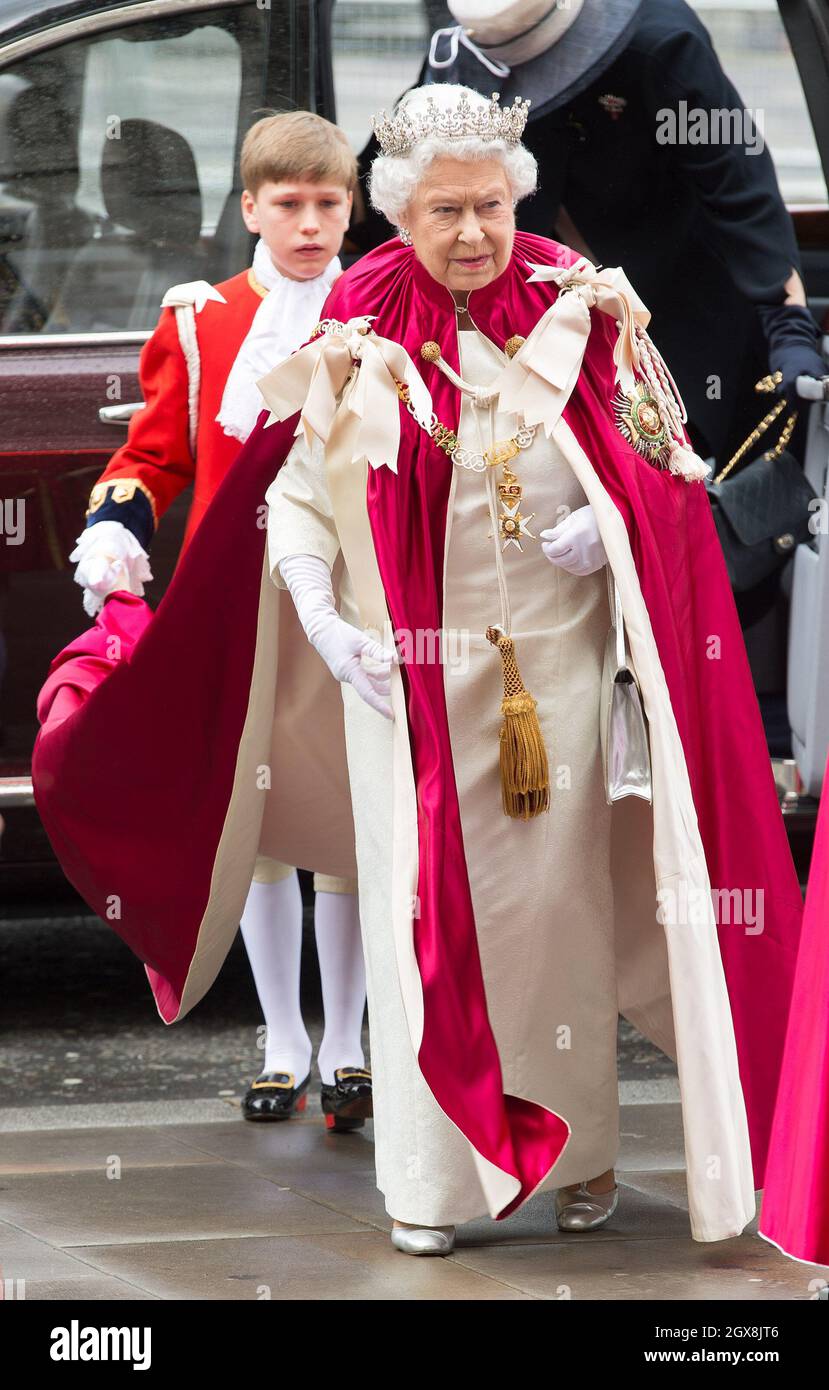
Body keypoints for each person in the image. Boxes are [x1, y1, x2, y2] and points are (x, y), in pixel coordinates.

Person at [33, 84, 804, 1260]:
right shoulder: (358, 317)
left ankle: (581, 1153)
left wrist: (614, 518)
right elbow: (291, 501)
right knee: (418, 930)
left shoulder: (579, 302)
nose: (473, 234)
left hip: (557, 679)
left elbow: (672, 464)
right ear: (398, 212)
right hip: (401, 688)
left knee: (560, 919)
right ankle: (431, 1184)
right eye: (446, 210)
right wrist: (321, 617)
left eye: (490, 206)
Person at [67, 111, 372, 1130]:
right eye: (288, 204)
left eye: (329, 204)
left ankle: (349, 1042)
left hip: (349, 594)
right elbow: (152, 456)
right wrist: (115, 530)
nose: (309, 224)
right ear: (249, 207)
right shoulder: (201, 321)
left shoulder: (379, 315)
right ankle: (283, 1038)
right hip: (230, 600)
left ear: (351, 209)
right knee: (260, 828)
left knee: (345, 825)